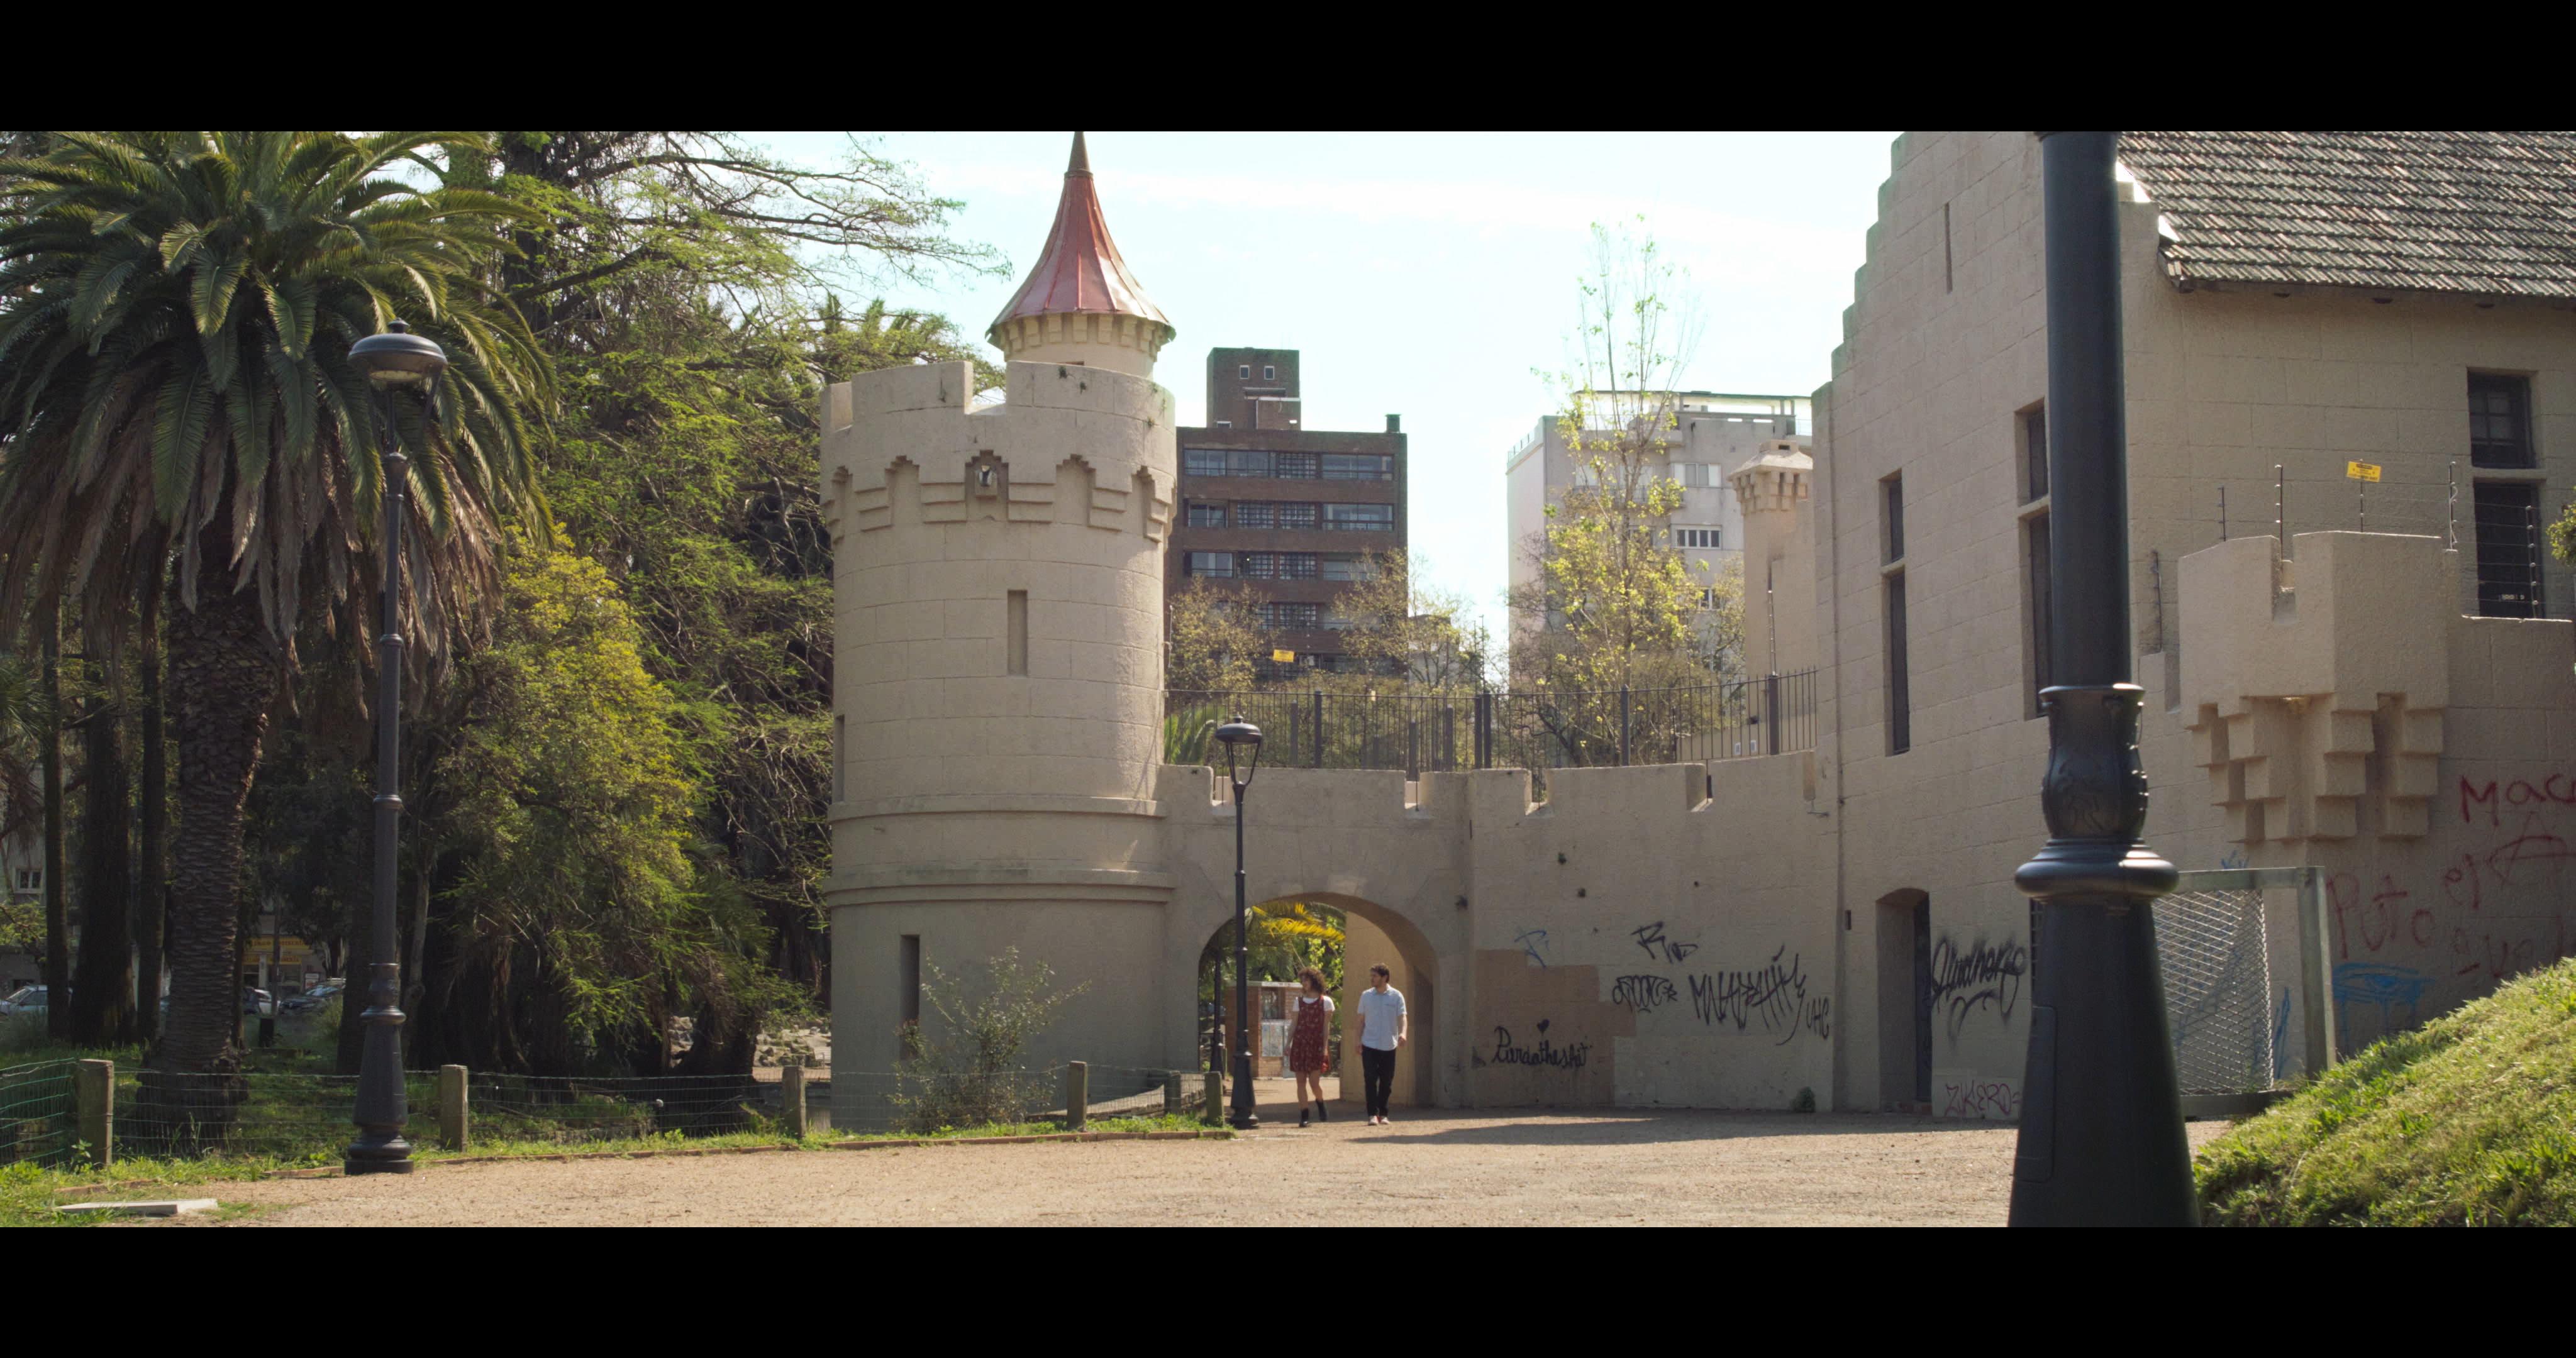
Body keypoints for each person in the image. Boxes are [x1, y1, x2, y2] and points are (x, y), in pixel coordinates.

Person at [1354, 962, 1407, 1125]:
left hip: (1389, 1045)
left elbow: (1403, 1017)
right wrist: (1357, 1040)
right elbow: (1360, 1020)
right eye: (1372, 976)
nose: (1372, 979)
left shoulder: (1397, 996)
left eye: (1375, 976)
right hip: (1369, 1044)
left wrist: (1403, 1033)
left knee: (1386, 1081)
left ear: (1384, 978)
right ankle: (1372, 1114)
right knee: (1370, 1079)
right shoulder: (1366, 996)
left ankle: (1383, 1114)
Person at [1287, 966, 1334, 1127]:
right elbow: (1294, 1023)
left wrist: (1325, 1046)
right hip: (1300, 1043)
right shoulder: (1298, 1001)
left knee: (1314, 1083)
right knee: (1300, 1082)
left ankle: (1320, 1102)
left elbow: (1326, 1026)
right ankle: (1304, 1115)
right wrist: (1288, 1043)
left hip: (1316, 1044)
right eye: (1302, 980)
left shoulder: (1326, 1002)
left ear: (1314, 981)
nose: (1304, 983)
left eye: (1306, 980)